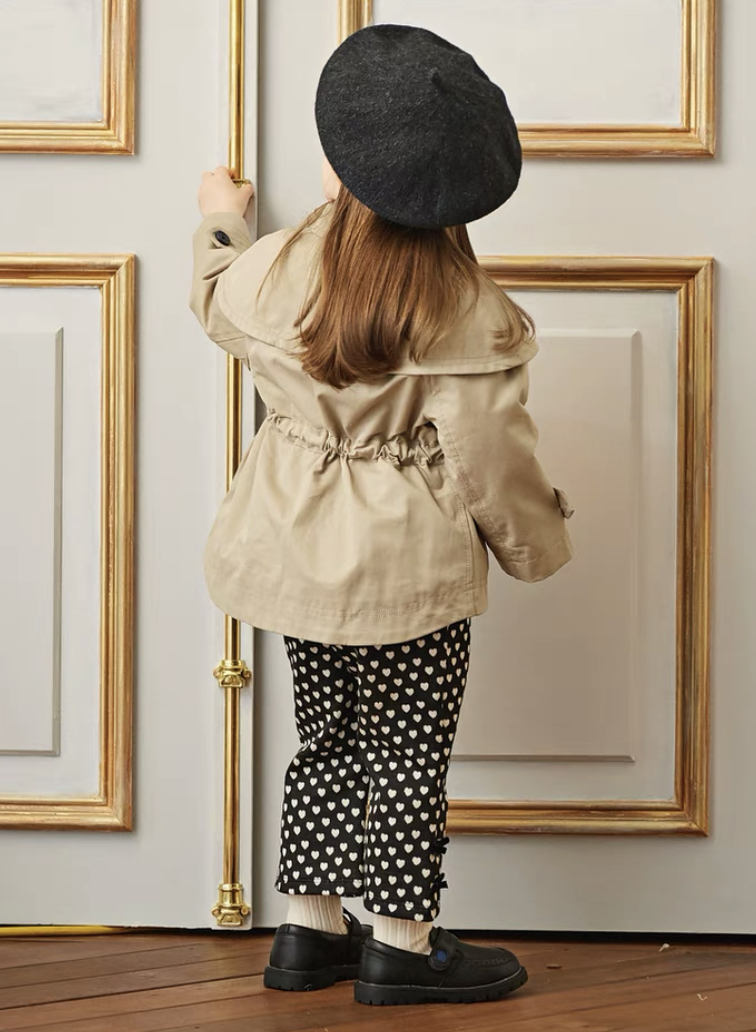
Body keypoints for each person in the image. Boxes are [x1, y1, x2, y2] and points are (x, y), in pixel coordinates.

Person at [190, 23, 573, 1008]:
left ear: (339, 172)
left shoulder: (273, 269)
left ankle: (308, 930)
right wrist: (536, 548)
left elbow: (216, 302)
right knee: (406, 748)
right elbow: (492, 459)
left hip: (293, 553)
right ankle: (401, 945)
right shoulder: (467, 309)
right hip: (411, 572)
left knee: (324, 736)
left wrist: (221, 220)